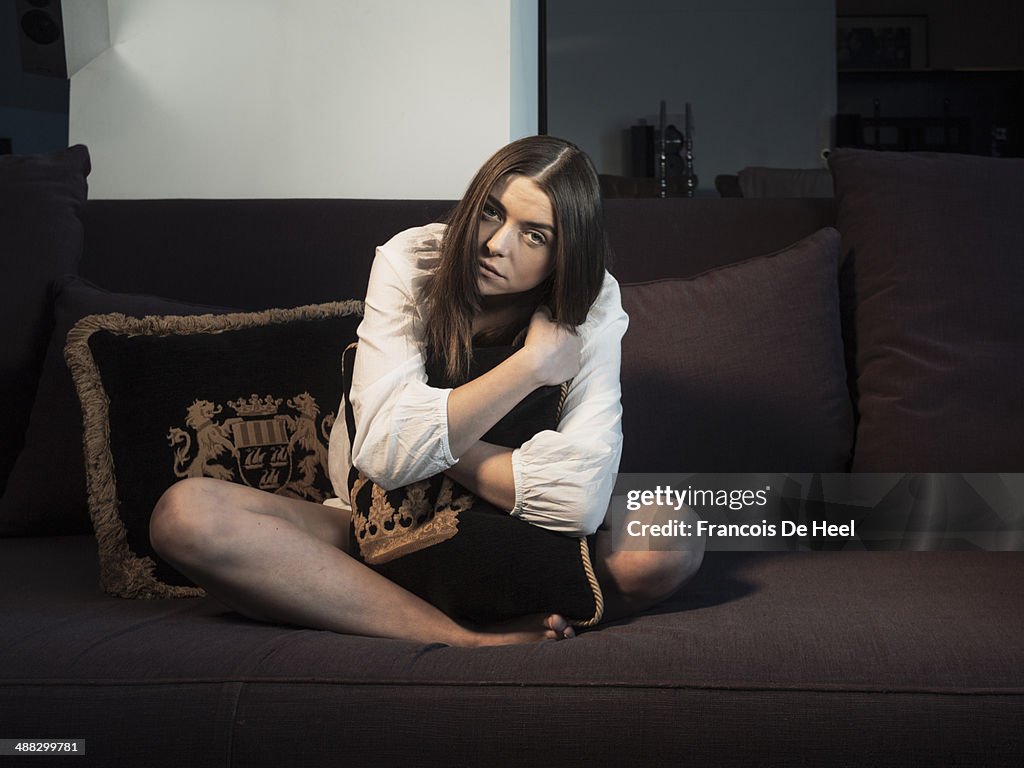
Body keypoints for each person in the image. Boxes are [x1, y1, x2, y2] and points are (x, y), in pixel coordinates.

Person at [150, 136, 704, 647]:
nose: (495, 243)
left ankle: (391, 602)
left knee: (672, 532)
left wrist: (429, 446)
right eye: (491, 210)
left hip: (514, 522)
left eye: (534, 235)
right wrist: (531, 367)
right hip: (375, 526)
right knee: (186, 514)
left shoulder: (594, 301)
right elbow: (384, 455)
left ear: (566, 255)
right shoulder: (411, 260)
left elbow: (579, 501)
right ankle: (464, 637)